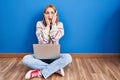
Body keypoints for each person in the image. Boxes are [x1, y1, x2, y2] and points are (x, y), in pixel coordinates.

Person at [22, 4, 72, 79]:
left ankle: (39, 72)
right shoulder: (39, 24)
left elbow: (54, 38)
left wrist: (54, 24)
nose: (49, 15)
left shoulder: (60, 25)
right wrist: (48, 26)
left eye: (52, 13)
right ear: (44, 14)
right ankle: (55, 69)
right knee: (25, 59)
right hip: (40, 57)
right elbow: (43, 41)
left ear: (55, 14)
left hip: (55, 58)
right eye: (47, 13)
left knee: (68, 57)